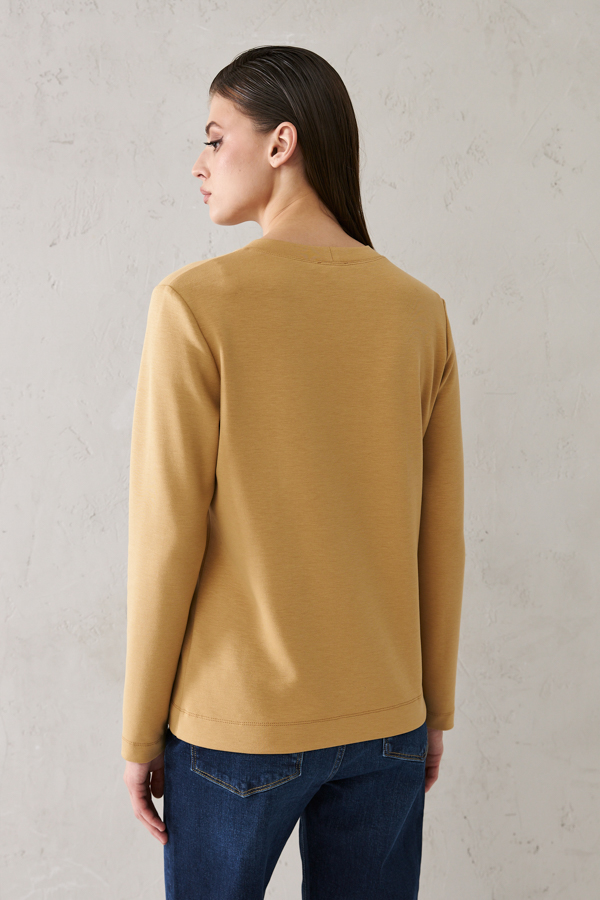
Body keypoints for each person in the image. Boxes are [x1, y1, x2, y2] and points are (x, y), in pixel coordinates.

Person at [121, 45, 465, 900]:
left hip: (239, 726)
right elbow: (441, 535)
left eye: (215, 137)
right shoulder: (419, 312)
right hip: (388, 718)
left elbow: (167, 537)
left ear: (281, 143)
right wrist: (433, 705)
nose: (199, 163)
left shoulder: (194, 303)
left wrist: (139, 731)